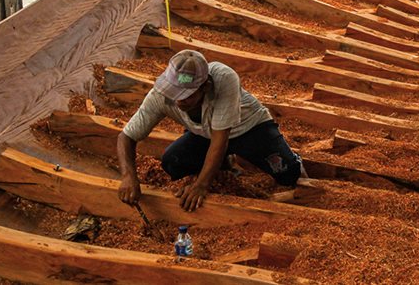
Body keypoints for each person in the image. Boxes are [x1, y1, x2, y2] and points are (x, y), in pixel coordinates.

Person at [116, 50, 303, 211]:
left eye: (187, 96)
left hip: (250, 127)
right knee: (173, 162)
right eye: (175, 93)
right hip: (205, 134)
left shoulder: (224, 78)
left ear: (205, 87)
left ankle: (269, 159)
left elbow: (220, 140)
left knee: (288, 173)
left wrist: (201, 185)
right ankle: (226, 165)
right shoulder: (160, 95)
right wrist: (128, 176)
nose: (179, 101)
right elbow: (126, 137)